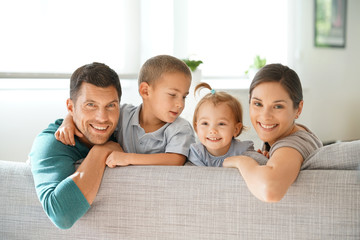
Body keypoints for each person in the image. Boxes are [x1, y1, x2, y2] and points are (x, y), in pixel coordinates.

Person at [29, 62, 123, 229]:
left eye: (110, 105)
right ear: (71, 107)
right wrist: (102, 150)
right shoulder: (50, 142)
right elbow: (62, 215)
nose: (102, 117)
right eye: (90, 105)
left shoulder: (126, 129)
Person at [56, 55, 195, 167]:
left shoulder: (180, 128)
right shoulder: (124, 115)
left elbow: (175, 160)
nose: (180, 104)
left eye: (184, 96)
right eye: (172, 95)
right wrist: (67, 122)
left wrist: (127, 158)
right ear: (145, 91)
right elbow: (95, 115)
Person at [223, 63, 323, 202]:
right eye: (258, 104)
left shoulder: (292, 144)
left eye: (278, 106)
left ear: (298, 109)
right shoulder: (291, 131)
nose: (265, 116)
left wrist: (240, 161)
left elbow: (270, 189)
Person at [188, 82, 254, 167]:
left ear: (236, 129)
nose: (212, 130)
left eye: (221, 124)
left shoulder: (244, 151)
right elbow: (192, 177)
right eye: (205, 123)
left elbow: (262, 165)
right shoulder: (196, 153)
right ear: (196, 128)